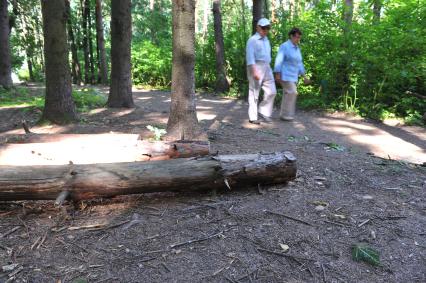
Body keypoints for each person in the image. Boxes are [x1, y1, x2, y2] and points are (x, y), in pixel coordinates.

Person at [274, 27, 310, 121]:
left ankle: (284, 114)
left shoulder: (297, 49)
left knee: (288, 93)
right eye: (296, 37)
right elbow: (279, 60)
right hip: (284, 74)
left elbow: (299, 63)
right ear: (291, 36)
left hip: (293, 76)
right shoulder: (284, 46)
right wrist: (277, 73)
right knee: (292, 92)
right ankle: (286, 115)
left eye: (299, 37)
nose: (298, 39)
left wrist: (304, 76)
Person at [246, 18, 277, 125]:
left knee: (272, 91)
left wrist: (268, 67)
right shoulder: (252, 40)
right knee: (254, 93)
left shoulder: (267, 40)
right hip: (255, 66)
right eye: (263, 28)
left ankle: (263, 111)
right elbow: (250, 57)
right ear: (258, 27)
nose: (265, 30)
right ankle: (253, 117)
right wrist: (254, 71)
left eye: (267, 28)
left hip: (267, 67)